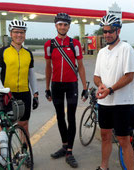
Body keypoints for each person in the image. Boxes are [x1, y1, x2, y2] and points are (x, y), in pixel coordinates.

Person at [44, 13, 87, 168]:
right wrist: (47, 88)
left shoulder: (74, 43)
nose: (63, 27)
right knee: (60, 117)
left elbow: (80, 66)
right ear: (56, 25)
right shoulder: (49, 44)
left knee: (71, 117)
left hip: (71, 86)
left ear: (69, 26)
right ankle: (64, 146)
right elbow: (48, 68)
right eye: (60, 24)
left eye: (66, 25)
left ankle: (69, 151)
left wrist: (85, 87)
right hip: (56, 85)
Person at [94, 14, 134, 170]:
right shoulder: (101, 52)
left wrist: (110, 89)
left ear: (118, 31)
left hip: (121, 102)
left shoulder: (126, 49)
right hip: (104, 102)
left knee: (123, 139)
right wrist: (101, 86)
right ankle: (104, 167)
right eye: (105, 31)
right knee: (105, 136)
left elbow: (129, 76)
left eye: (110, 31)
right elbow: (96, 76)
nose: (107, 34)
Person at [0, 19, 39, 149]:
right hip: (6, 94)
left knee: (24, 125)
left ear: (25, 34)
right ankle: (1, 160)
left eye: (22, 32)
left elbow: (31, 75)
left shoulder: (28, 53)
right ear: (11, 33)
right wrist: (2, 90)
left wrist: (35, 94)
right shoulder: (2, 52)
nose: (19, 35)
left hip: (24, 93)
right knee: (2, 128)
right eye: (16, 32)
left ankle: (25, 154)